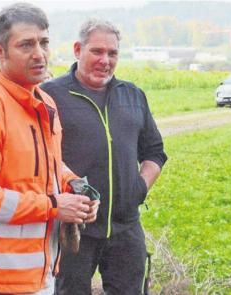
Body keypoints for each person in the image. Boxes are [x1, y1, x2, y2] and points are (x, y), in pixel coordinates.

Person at [0, 3, 99, 295]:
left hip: (41, 274)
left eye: (44, 43)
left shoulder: (44, 102)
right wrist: (55, 206)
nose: (39, 54)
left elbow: (51, 166)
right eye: (26, 45)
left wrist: (74, 190)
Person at [41, 19, 168, 295]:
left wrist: (140, 187)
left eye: (112, 53)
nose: (105, 60)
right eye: (97, 51)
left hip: (126, 228)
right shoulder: (51, 97)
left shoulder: (132, 96)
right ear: (77, 49)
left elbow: (155, 151)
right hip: (74, 231)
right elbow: (37, 158)